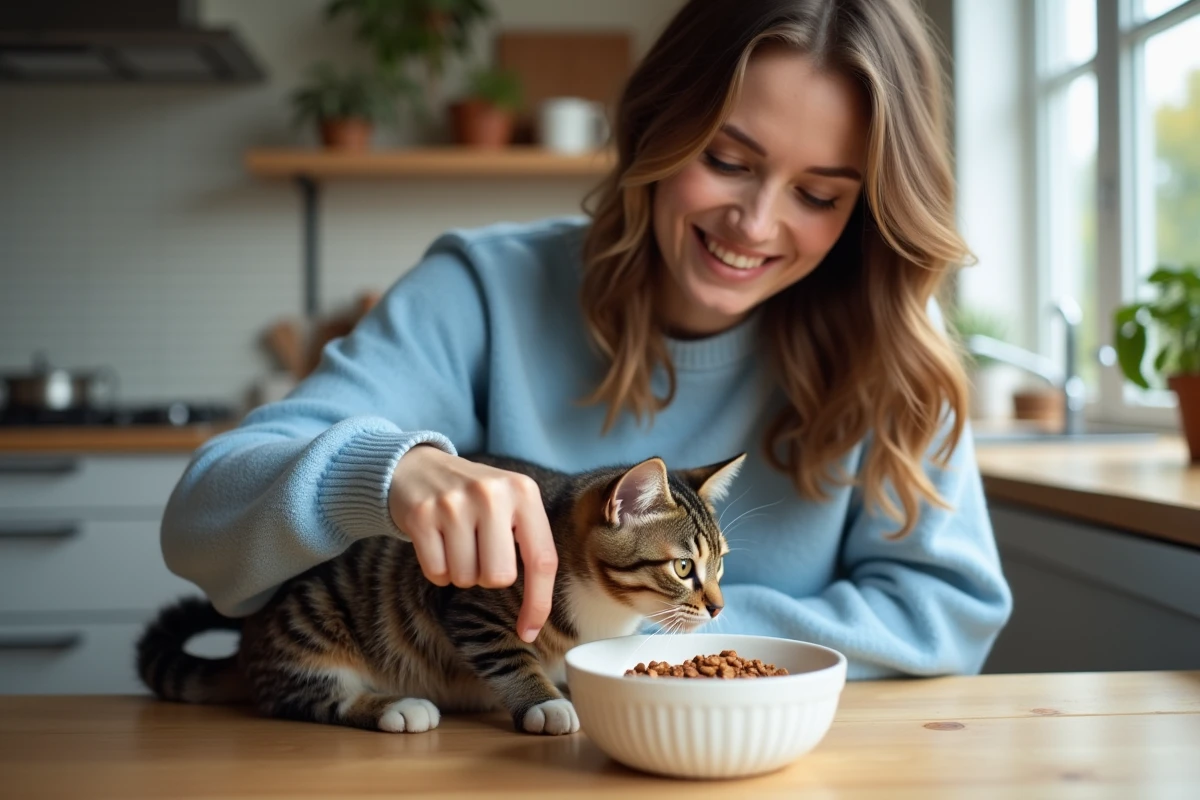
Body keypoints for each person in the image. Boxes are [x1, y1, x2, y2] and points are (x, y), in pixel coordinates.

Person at [162, 0, 1012, 680]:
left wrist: (640, 633)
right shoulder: (481, 290)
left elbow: (946, 616)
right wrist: (386, 475)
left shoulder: (892, 348)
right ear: (656, 127)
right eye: (726, 159)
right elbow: (203, 521)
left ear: (864, 210)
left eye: (819, 196)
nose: (755, 225)